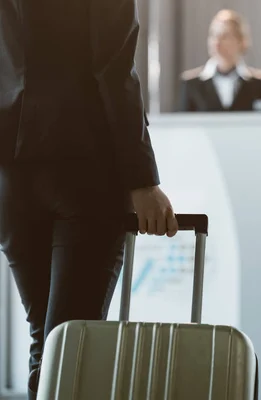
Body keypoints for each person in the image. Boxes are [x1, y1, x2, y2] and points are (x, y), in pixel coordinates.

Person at [0, 0, 178, 398]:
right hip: (86, 169)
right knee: (70, 347)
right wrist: (143, 180)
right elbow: (115, 69)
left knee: (50, 344)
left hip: (13, 171)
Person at [179, 9, 261, 112]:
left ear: (241, 41)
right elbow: (180, 126)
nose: (217, 42)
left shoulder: (257, 83)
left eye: (225, 36)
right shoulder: (191, 84)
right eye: (214, 35)